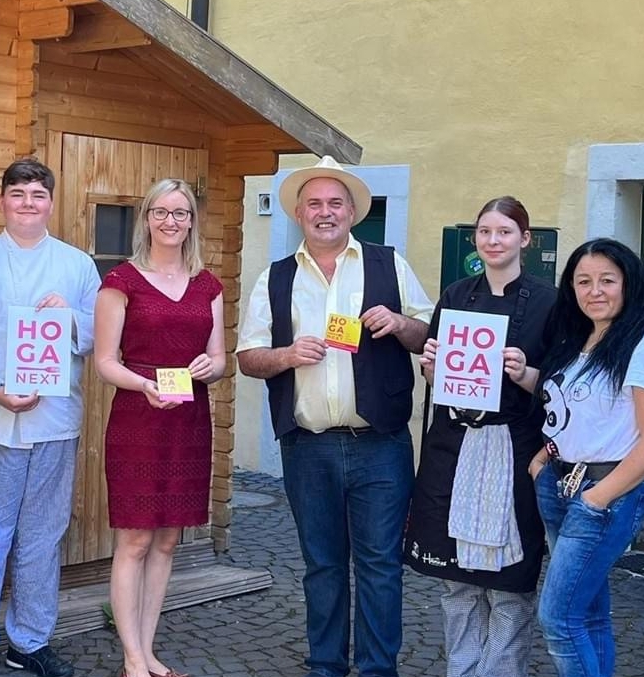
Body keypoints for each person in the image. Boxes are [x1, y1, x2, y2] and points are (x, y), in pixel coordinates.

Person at [236, 156, 434, 677]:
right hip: (308, 445)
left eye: (335, 203)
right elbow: (248, 357)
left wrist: (397, 323)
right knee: (322, 567)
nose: (326, 213)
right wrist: (285, 356)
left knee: (380, 567)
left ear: (352, 212)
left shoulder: (388, 263)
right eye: (315, 204)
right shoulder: (275, 278)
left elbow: (427, 335)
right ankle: (325, 666)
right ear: (300, 214)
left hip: (381, 442)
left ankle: (377, 669)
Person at [0, 159, 100, 677]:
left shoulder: (77, 266)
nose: (28, 203)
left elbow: (100, 329)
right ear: (1, 201)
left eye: (37, 194)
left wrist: (70, 317)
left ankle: (29, 641)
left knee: (42, 536)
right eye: (18, 194)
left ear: (51, 202)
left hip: (53, 423)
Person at [403, 197, 556, 677]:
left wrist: (526, 372)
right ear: (475, 239)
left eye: (505, 232)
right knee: (457, 581)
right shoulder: (454, 295)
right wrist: (431, 367)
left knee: (508, 581)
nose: (494, 241)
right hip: (454, 443)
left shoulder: (551, 303)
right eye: (485, 232)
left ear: (525, 240)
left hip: (515, 447)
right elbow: (441, 381)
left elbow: (563, 384)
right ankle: (461, 671)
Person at [94, 178, 225, 677]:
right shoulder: (121, 282)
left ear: (192, 221)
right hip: (138, 418)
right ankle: (131, 658)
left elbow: (217, 358)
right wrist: (143, 384)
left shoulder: (207, 284)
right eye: (161, 212)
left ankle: (148, 650)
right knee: (135, 542)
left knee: (167, 542)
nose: (171, 221)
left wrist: (209, 369)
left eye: (181, 212)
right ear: (146, 218)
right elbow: (106, 361)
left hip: (188, 420)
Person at [530, 238, 644, 677]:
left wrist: (597, 500)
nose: (595, 290)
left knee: (557, 619)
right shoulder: (580, 342)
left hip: (603, 496)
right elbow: (573, 414)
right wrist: (542, 458)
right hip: (560, 485)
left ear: (628, 284)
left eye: (607, 280)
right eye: (583, 281)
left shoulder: (636, 344)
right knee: (589, 616)